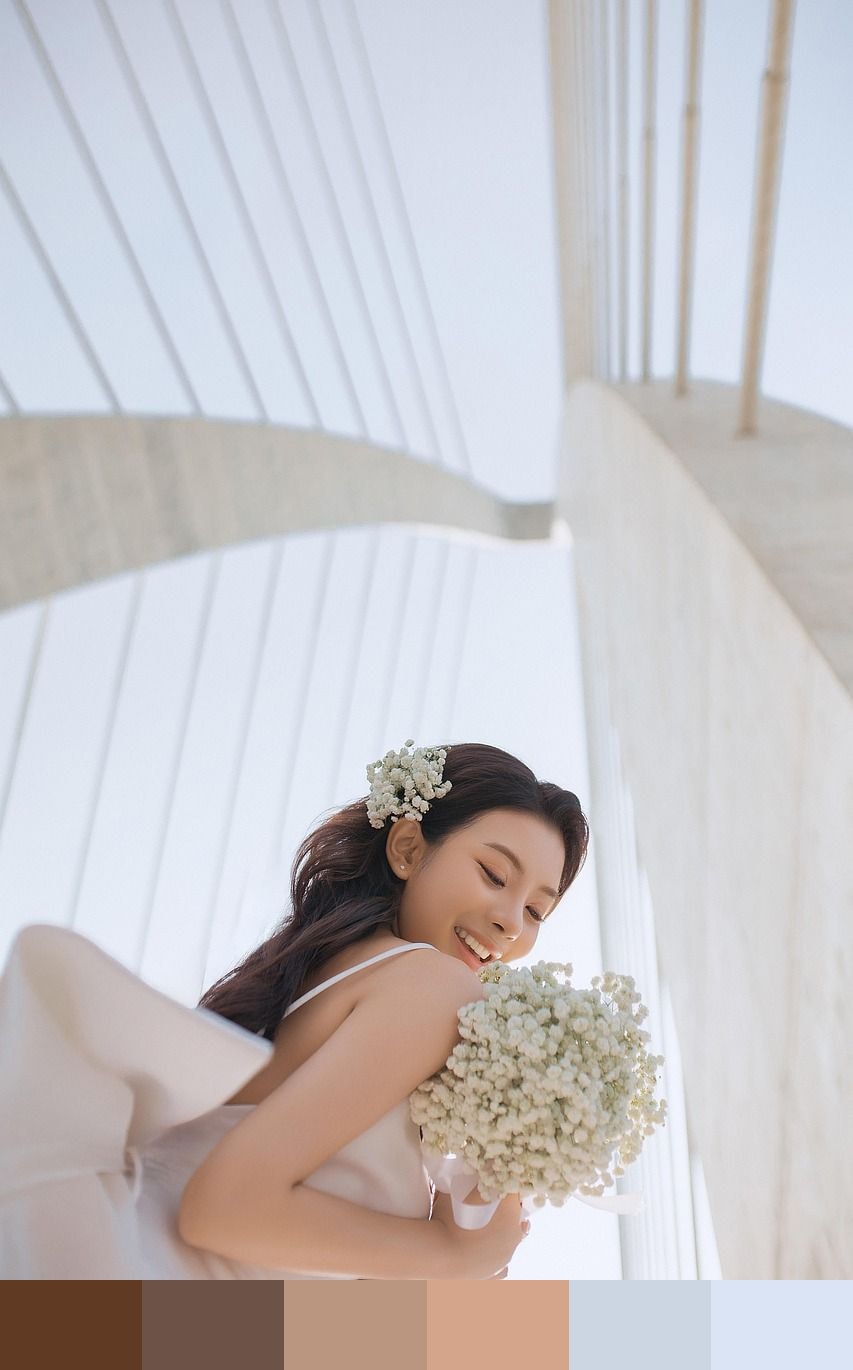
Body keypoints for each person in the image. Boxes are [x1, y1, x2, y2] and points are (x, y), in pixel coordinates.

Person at [0, 739, 589, 1280]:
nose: (511, 923)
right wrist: (455, 1254)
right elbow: (224, 1212)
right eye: (494, 875)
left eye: (537, 912)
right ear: (408, 848)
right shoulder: (433, 987)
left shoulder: (332, 973)